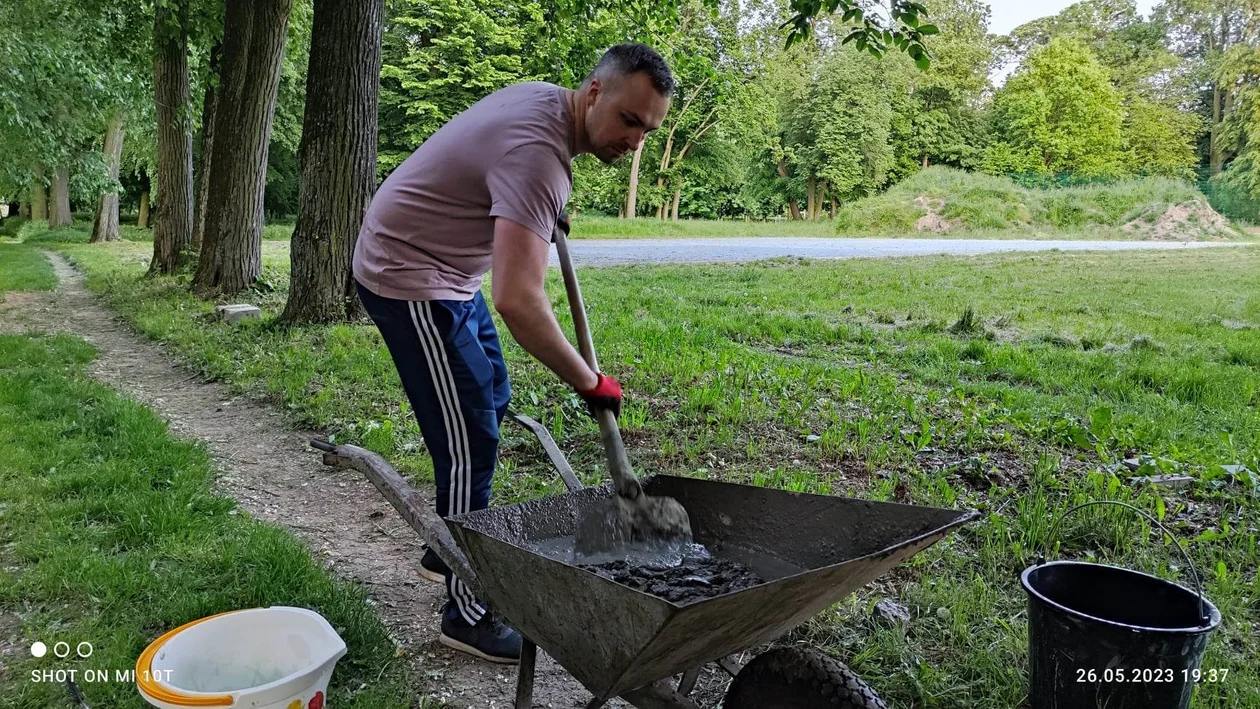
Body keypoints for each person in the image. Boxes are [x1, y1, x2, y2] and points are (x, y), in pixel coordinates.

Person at [351, 43, 675, 664]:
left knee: (492, 393)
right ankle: (466, 611)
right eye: (629, 120)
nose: (635, 140)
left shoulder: (546, 106)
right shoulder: (538, 162)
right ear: (593, 93)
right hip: (408, 274)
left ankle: (444, 537)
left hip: (448, 270)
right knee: (468, 431)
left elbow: (504, 171)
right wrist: (590, 382)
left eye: (648, 130)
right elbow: (521, 302)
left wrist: (549, 205)